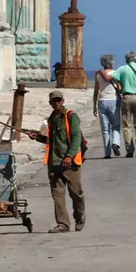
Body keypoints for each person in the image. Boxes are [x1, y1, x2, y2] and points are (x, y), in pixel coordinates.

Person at [28, 90, 85, 233]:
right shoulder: (51, 119)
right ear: (50, 103)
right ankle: (63, 224)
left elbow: (76, 138)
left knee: (76, 193)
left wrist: (69, 156)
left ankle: (80, 217)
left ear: (63, 101)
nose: (56, 103)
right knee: (57, 195)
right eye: (54, 101)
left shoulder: (71, 117)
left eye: (59, 100)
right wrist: (37, 137)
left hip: (70, 163)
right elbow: (51, 140)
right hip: (54, 162)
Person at [111, 50, 136, 157]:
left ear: (127, 59)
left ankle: (129, 149)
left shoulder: (122, 69)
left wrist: (120, 86)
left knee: (126, 124)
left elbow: (114, 79)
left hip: (126, 97)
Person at [93, 54, 122, 158]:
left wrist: (94, 105)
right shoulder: (116, 73)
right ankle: (115, 143)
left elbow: (96, 90)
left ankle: (107, 153)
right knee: (116, 125)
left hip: (101, 101)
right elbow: (119, 88)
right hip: (113, 100)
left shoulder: (98, 75)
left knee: (105, 129)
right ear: (112, 63)